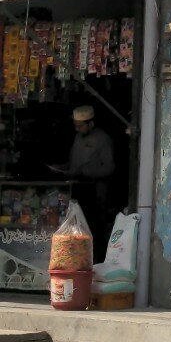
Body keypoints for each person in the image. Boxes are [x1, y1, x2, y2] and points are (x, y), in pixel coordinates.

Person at [53, 105, 115, 262]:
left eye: (80, 126)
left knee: (92, 228)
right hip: (77, 189)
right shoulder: (78, 138)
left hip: (95, 192)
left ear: (91, 124)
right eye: (75, 125)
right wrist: (63, 168)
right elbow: (74, 163)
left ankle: (95, 260)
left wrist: (88, 172)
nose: (77, 129)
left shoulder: (103, 139)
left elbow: (109, 168)